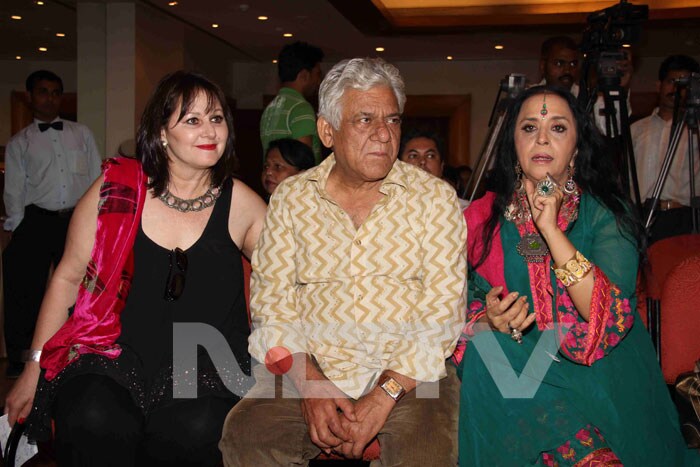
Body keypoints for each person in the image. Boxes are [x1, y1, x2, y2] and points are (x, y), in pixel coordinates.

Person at [4, 71, 267, 466]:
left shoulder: (243, 205)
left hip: (204, 363)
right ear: (162, 133)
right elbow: (67, 278)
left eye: (217, 118)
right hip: (114, 353)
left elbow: (289, 281)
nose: (209, 130)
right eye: (192, 120)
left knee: (195, 428)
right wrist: (32, 368)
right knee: (91, 415)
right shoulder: (116, 191)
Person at [220, 57, 467, 466]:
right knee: (247, 437)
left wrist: (385, 393)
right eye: (365, 120)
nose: (383, 135)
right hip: (310, 367)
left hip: (409, 375)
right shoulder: (292, 199)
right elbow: (272, 308)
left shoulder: (433, 199)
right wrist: (311, 384)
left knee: (427, 453)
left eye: (392, 120)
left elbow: (440, 316)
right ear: (326, 131)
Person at [455, 85, 696, 466]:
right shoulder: (494, 223)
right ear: (513, 146)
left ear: (577, 148)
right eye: (530, 128)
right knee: (486, 354)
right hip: (530, 365)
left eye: (559, 128)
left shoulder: (605, 214)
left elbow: (610, 318)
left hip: (605, 371)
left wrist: (550, 230)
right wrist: (489, 319)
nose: (543, 138)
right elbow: (472, 299)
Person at [2, 70, 102, 378]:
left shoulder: (81, 133)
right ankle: (22, 359)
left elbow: (96, 176)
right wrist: (16, 227)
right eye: (44, 92)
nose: (50, 98)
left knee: (84, 286)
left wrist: (97, 220)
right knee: (25, 291)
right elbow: (15, 188)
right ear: (31, 96)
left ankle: (77, 349)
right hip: (36, 219)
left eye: (56, 92)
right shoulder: (21, 142)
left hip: (75, 218)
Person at [632, 54, 700, 243]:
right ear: (658, 86)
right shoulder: (636, 129)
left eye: (684, 84)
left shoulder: (695, 129)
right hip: (640, 217)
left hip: (683, 217)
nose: (676, 89)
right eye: (671, 81)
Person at [260, 41, 324, 163]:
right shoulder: (301, 107)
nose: (318, 81)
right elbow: (303, 164)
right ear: (304, 75)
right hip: (298, 182)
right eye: (317, 74)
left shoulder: (270, 108)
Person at [399, 129, 469, 210]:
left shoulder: (463, 211)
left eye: (430, 156)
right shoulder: (387, 209)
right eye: (413, 156)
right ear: (399, 167)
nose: (422, 161)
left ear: (441, 166)